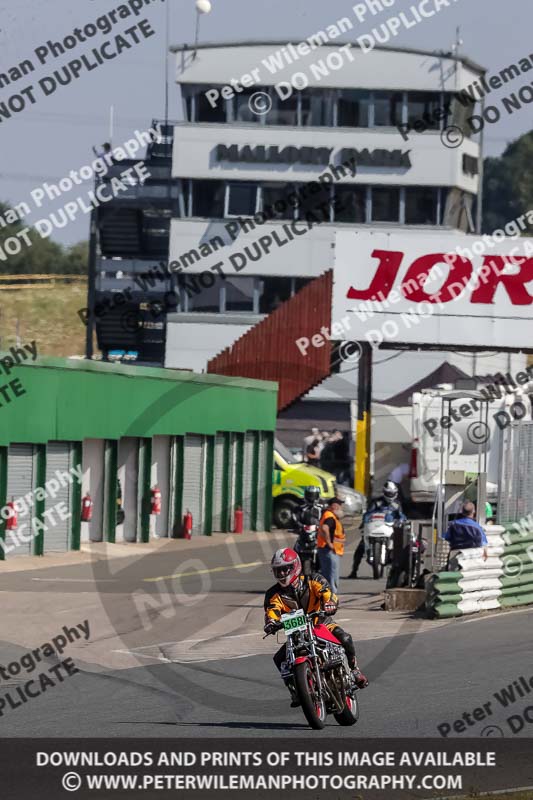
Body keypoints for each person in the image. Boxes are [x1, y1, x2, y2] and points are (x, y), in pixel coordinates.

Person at [264, 548, 368, 706]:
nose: (283, 573)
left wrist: (330, 603)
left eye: (286, 569)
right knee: (279, 659)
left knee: (345, 638)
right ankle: (296, 691)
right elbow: (272, 610)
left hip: (322, 623)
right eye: (278, 570)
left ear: (296, 566)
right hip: (297, 633)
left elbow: (328, 594)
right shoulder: (273, 594)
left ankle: (354, 669)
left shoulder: (314, 579)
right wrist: (271, 623)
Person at [348, 480, 406, 579]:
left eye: (392, 493)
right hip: (375, 527)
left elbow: (401, 515)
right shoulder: (376, 502)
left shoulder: (397, 504)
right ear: (384, 492)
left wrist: (401, 521)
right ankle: (354, 570)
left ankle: (400, 573)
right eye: (388, 493)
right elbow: (368, 513)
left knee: (401, 546)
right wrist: (364, 523)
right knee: (361, 546)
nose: (390, 495)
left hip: (390, 528)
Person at [316, 497, 346, 593]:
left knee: (327, 575)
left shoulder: (328, 515)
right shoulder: (330, 516)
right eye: (340, 505)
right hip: (329, 550)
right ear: (334, 506)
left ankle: (326, 597)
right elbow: (325, 528)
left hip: (326, 549)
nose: (341, 507)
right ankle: (332, 597)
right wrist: (329, 543)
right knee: (332, 576)